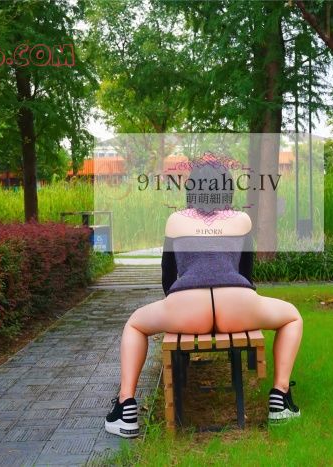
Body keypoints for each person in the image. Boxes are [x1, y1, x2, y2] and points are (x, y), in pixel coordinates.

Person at [104, 157, 303, 438]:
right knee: (292, 316)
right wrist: (240, 307)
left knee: (135, 324)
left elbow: (167, 275)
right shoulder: (241, 220)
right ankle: (280, 398)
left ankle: (125, 407)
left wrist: (176, 309)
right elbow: (246, 274)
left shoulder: (176, 220)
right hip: (237, 303)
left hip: (187, 306)